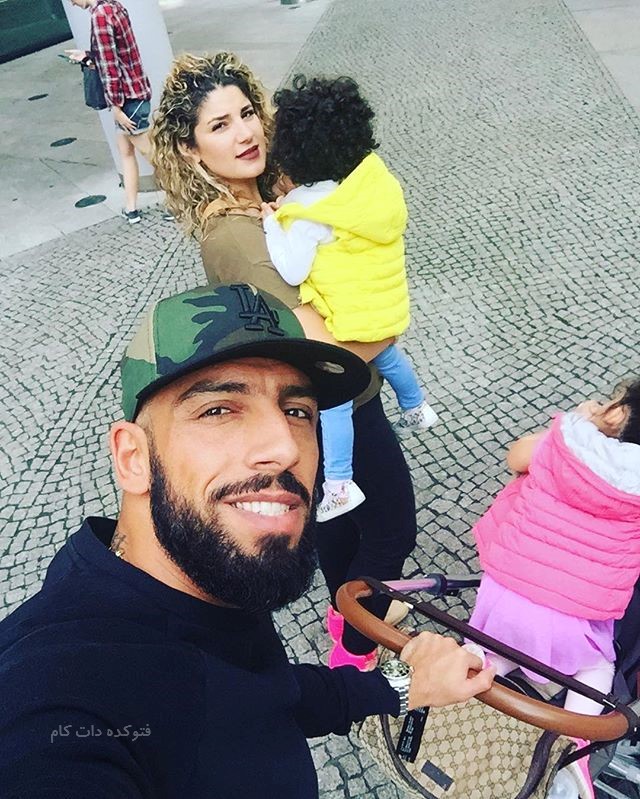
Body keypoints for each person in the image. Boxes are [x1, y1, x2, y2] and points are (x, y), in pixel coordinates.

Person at [0, 283, 494, 798]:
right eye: (218, 410)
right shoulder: (53, 702)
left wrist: (398, 685)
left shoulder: (197, 573)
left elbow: (261, 695)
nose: (285, 448)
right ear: (133, 458)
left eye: (298, 412)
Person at [151, 52, 419, 670]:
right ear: (191, 151)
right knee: (392, 528)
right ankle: (356, 649)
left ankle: (348, 613)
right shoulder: (236, 235)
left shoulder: (277, 195)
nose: (244, 133)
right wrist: (387, 323)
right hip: (337, 402)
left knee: (340, 523)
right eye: (219, 126)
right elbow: (324, 349)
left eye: (247, 113)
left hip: (332, 404)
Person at [261, 75, 438, 522]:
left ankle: (340, 484)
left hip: (348, 320)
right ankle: (417, 406)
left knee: (335, 400)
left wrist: (271, 223)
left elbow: (292, 270)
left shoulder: (307, 210)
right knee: (387, 355)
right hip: (383, 307)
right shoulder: (369, 188)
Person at [468, 379, 640, 798]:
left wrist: (582, 422)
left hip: (501, 596)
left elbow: (516, 456)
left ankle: (477, 664)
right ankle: (574, 747)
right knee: (596, 667)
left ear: (618, 413)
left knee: (500, 644)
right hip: (568, 623)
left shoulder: (564, 443)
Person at [66, 0, 154, 224]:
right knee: (126, 152)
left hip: (127, 99)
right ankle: (131, 208)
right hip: (133, 91)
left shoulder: (100, 15)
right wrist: (87, 56)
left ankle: (184, 200)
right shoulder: (113, 6)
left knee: (155, 157)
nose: (72, 4)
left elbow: (110, 67)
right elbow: (116, 53)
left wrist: (115, 106)